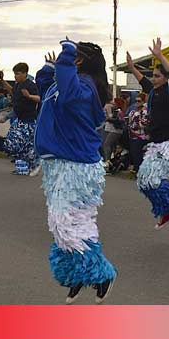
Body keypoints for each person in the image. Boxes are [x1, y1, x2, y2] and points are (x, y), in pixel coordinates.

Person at [35, 40, 116, 304]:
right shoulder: (69, 84)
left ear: (77, 62)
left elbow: (67, 92)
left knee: (64, 223)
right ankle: (77, 274)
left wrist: (67, 54)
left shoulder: (84, 87)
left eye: (67, 58)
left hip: (76, 166)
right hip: (61, 164)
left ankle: (101, 273)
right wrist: (50, 67)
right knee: (74, 224)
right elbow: (46, 88)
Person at [126, 38, 169, 230]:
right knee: (143, 180)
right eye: (153, 76)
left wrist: (160, 55)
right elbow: (143, 81)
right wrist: (132, 67)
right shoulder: (154, 91)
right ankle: (166, 210)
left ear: (165, 78)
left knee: (155, 179)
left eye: (157, 76)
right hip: (157, 143)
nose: (153, 79)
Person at [1, 62, 41, 176]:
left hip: (29, 121)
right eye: (14, 74)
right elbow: (12, 91)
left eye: (18, 74)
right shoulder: (18, 85)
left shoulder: (30, 85)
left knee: (24, 145)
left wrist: (29, 96)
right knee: (13, 144)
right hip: (19, 119)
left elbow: (38, 98)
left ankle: (33, 165)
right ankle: (22, 168)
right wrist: (3, 80)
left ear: (25, 73)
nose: (15, 76)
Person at [127, 93, 150, 172]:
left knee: (137, 154)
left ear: (143, 101)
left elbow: (145, 123)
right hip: (132, 135)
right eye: (136, 101)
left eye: (139, 101)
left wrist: (136, 122)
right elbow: (129, 121)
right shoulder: (133, 111)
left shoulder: (144, 111)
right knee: (133, 153)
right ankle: (136, 168)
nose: (136, 103)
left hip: (141, 136)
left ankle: (139, 170)